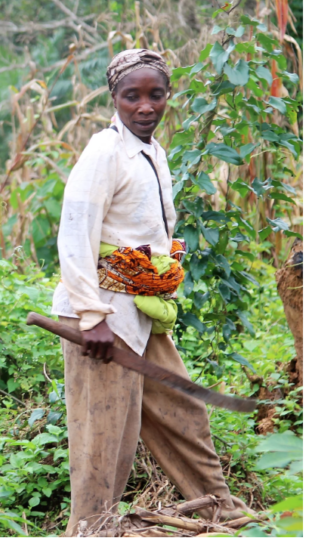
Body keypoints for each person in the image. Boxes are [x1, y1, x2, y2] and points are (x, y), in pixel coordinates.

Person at [52, 48, 249, 535]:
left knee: (182, 409)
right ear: (113, 98)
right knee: (104, 437)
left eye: (155, 95)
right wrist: (90, 317)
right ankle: (90, 529)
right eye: (132, 96)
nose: (145, 106)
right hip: (100, 318)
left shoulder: (154, 152)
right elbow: (75, 232)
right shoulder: (105, 151)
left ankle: (223, 511)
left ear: (167, 97)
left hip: (139, 311)